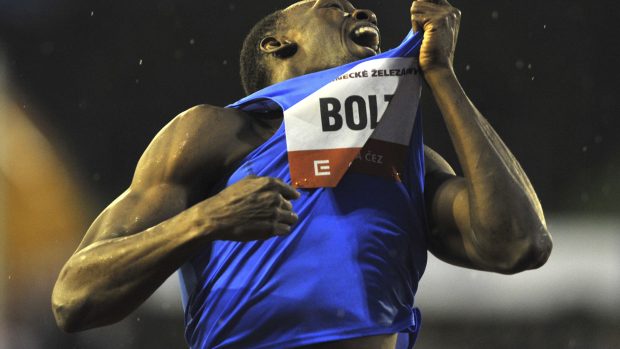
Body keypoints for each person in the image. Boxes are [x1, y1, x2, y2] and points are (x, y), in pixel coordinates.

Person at [52, 0, 553, 348]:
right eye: (332, 8)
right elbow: (74, 298)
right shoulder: (218, 132)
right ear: (278, 45)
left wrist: (442, 75)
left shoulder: (404, 162)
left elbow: (520, 244)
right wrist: (202, 221)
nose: (363, 13)